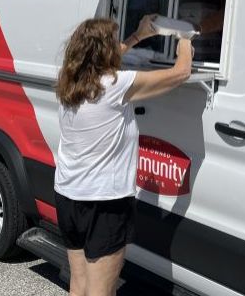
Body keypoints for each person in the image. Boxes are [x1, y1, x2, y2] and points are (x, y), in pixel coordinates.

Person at [54, 15, 193, 296]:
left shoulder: (70, 82)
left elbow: (112, 54)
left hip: (69, 196)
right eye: (113, 42)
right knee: (101, 291)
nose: (118, 46)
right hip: (104, 203)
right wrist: (187, 38)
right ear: (104, 52)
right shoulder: (115, 85)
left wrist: (137, 36)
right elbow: (180, 73)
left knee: (79, 284)